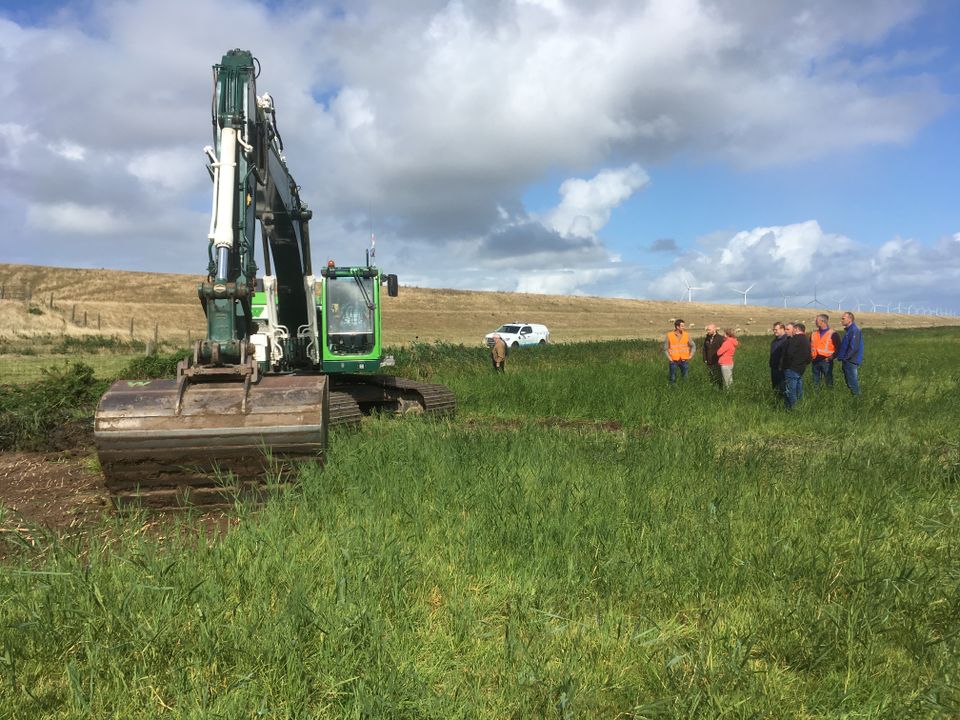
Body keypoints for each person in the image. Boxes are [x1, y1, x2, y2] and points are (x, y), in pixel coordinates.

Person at [781, 322, 811, 409]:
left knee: (790, 391)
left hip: (791, 368)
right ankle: (801, 406)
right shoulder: (806, 339)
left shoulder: (795, 339)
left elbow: (789, 353)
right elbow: (809, 356)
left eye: (793, 329)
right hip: (800, 369)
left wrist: (786, 365)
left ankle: (792, 409)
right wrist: (803, 364)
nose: (792, 331)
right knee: (799, 390)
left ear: (797, 329)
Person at [809, 313, 841, 389]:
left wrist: (831, 358)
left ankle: (830, 394)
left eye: (816, 320)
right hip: (815, 360)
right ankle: (815, 394)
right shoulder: (814, 333)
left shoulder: (833, 334)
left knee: (828, 380)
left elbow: (839, 348)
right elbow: (809, 346)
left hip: (826, 361)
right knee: (815, 381)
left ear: (822, 321)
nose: (815, 322)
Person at [836, 311, 863, 395]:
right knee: (849, 382)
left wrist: (845, 358)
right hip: (848, 360)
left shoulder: (854, 330)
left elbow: (854, 347)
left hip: (851, 360)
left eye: (843, 318)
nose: (841, 320)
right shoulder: (849, 331)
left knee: (853, 382)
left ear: (850, 319)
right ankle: (854, 397)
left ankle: (857, 399)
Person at [664, 319, 696, 384]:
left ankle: (685, 388)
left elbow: (693, 346)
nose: (684, 327)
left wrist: (690, 355)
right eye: (682, 326)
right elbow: (665, 348)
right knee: (672, 378)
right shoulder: (669, 335)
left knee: (685, 378)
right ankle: (672, 388)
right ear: (677, 327)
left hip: (684, 360)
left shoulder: (686, 335)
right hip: (673, 360)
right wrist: (670, 358)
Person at [769, 322, 789, 392]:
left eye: (776, 329)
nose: (774, 331)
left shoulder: (786, 340)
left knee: (783, 387)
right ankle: (775, 398)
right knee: (775, 388)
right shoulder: (774, 341)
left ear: (782, 329)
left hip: (782, 368)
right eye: (773, 330)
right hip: (774, 367)